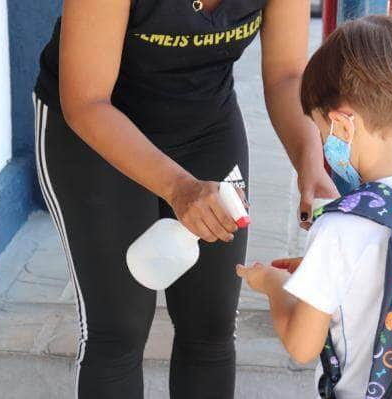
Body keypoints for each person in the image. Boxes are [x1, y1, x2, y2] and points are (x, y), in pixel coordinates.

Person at [33, 1, 339, 398]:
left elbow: (286, 75)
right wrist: (179, 188)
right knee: (116, 330)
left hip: (206, 125)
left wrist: (309, 160)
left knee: (210, 325)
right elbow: (87, 103)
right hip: (96, 131)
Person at [237, 15, 392, 398]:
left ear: (344, 125)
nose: (325, 142)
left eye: (322, 129)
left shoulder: (341, 228)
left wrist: (276, 287)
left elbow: (302, 344)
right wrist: (318, 273)